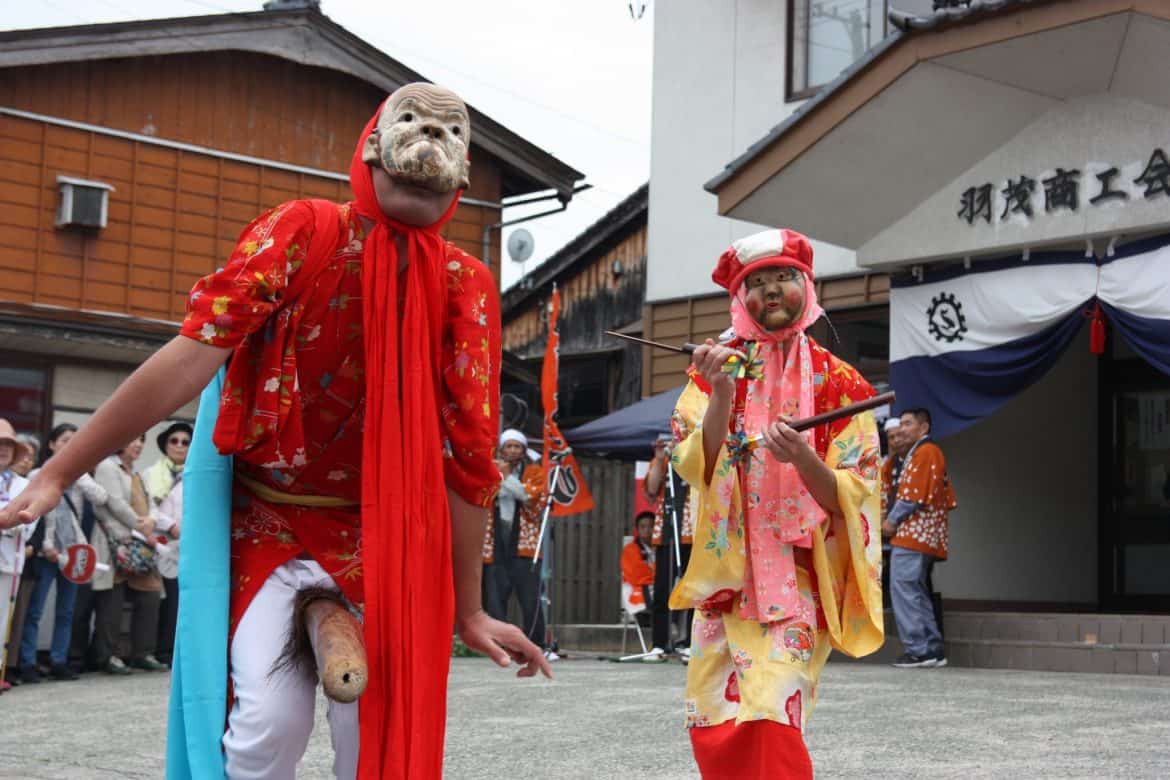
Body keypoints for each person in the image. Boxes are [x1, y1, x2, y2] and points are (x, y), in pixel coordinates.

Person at [0, 82, 547, 779]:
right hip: (266, 525)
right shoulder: (303, 229)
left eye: (449, 133)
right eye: (412, 123)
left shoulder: (463, 285)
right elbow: (191, 356)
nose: (429, 142)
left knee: (375, 736)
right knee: (264, 725)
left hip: (383, 541)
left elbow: (469, 455)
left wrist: (469, 611)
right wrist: (57, 471)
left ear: (465, 171)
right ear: (373, 148)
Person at [668, 229, 884, 779]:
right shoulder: (712, 370)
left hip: (796, 575)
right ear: (739, 300)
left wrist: (804, 460)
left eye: (783, 278)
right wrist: (720, 393)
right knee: (713, 711)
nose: (771, 292)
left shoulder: (840, 383)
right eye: (757, 284)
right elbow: (695, 460)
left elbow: (857, 487)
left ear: (806, 286)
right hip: (729, 573)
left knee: (772, 707)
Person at [17, 423, 144, 683]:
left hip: (75, 552)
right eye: (64, 441)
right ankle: (27, 662)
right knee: (35, 610)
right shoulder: (37, 476)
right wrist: (47, 545)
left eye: (75, 442)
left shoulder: (80, 477)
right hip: (45, 552)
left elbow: (99, 498)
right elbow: (37, 517)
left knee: (66, 611)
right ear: (52, 444)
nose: (69, 446)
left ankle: (59, 661)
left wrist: (79, 474)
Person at [883, 408, 957, 670]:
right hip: (921, 533)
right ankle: (931, 648)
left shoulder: (926, 451)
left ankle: (919, 649)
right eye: (900, 424)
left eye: (907, 424)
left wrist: (890, 521)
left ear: (923, 428)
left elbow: (913, 495)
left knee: (904, 589)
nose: (901, 429)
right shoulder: (921, 452)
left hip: (914, 532)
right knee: (915, 591)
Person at [89, 435, 168, 674]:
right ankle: (107, 656)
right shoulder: (107, 466)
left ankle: (143, 653)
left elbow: (151, 503)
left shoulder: (138, 473)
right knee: (111, 599)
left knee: (151, 595)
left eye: (142, 441)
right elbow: (114, 503)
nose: (138, 445)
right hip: (116, 542)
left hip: (141, 543)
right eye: (133, 440)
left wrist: (151, 520)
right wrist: (138, 524)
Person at [482, 429, 551, 654]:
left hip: (524, 546)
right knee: (495, 600)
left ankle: (537, 644)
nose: (512, 450)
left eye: (517, 446)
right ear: (501, 448)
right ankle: (500, 645)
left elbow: (530, 496)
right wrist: (499, 475)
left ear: (523, 450)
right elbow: (484, 493)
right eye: (508, 446)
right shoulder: (488, 470)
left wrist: (505, 477)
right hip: (494, 544)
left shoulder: (533, 471)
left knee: (530, 600)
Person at [143, 421, 190, 666]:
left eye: (185, 441)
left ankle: (174, 651)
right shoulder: (152, 473)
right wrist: (170, 525)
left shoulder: (196, 474)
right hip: (159, 541)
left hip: (189, 546)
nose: (180, 446)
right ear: (165, 444)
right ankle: (159, 650)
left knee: (180, 598)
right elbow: (147, 506)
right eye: (174, 440)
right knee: (160, 598)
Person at [643, 436, 694, 657]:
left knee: (694, 590)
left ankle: (691, 642)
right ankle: (659, 643)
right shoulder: (664, 458)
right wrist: (659, 457)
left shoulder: (698, 449)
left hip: (693, 530)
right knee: (662, 589)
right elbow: (652, 489)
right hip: (667, 530)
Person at [0, 420, 31, 694]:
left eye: (8, 445)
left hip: (10, 560)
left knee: (2, 619)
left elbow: (30, 520)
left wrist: (7, 520)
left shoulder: (24, 485)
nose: (3, 449)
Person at [620, 511, 656, 616]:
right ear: (637, 529)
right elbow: (638, 575)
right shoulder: (630, 549)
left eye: (651, 526)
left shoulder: (661, 549)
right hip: (638, 589)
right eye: (643, 527)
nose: (647, 530)